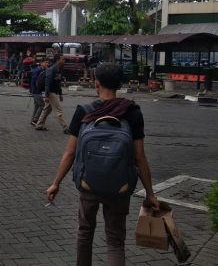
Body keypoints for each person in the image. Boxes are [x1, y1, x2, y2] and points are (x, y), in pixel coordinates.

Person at [45, 63, 159, 266]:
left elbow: (70, 153)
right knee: (115, 241)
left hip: (88, 185)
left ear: (96, 83)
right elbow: (140, 158)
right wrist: (150, 194)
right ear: (120, 85)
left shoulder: (84, 111)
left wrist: (56, 183)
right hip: (120, 187)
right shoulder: (132, 112)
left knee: (85, 233)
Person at [35, 54, 68, 133]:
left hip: (54, 92)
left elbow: (58, 83)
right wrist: (46, 95)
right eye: (62, 59)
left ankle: (39, 125)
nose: (64, 61)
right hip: (50, 92)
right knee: (58, 110)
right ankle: (66, 128)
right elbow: (47, 82)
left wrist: (60, 94)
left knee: (47, 109)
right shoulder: (52, 69)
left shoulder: (59, 69)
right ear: (57, 60)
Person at [29, 60, 50, 125]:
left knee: (37, 106)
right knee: (42, 105)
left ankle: (32, 120)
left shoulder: (41, 70)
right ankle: (35, 120)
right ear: (41, 63)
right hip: (36, 91)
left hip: (36, 91)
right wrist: (36, 90)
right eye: (45, 62)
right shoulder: (38, 70)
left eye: (47, 62)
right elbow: (34, 81)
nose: (47, 64)